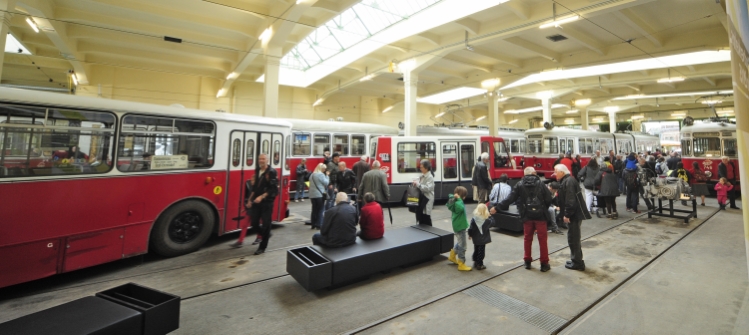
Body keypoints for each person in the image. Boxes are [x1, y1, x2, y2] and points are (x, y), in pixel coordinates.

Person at [496, 167, 553, 272]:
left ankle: (527, 262)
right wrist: (543, 208)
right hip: (540, 216)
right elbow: (549, 198)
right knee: (543, 240)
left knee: (527, 239)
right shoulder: (541, 184)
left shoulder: (520, 184)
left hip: (526, 215)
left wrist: (497, 207)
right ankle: (544, 264)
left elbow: (510, 198)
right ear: (533, 173)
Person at [231, 153, 277, 255]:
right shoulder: (257, 170)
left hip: (267, 203)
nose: (261, 160)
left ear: (267, 160)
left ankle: (262, 247)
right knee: (254, 223)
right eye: (260, 159)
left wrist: (262, 197)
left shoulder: (271, 172)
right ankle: (266, 234)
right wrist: (249, 200)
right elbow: (255, 187)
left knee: (266, 224)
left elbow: (273, 189)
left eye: (263, 159)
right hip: (256, 201)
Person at [554, 164, 585, 271]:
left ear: (562, 172)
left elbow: (571, 200)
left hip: (574, 215)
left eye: (556, 171)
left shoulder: (569, 181)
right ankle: (575, 259)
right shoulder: (567, 181)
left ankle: (578, 263)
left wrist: (567, 214)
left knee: (573, 238)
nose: (555, 174)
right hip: (574, 214)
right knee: (573, 237)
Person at [446, 186, 471, 271]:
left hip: (458, 225)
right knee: (463, 246)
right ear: (461, 196)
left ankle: (452, 256)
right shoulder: (458, 202)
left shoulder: (454, 201)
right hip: (460, 226)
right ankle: (461, 263)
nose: (464, 198)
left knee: (460, 242)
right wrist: (459, 199)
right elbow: (461, 208)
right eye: (464, 196)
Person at [468, 203, 495, 270]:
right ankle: (480, 264)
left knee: (476, 249)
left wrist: (470, 234)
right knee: (481, 252)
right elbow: (493, 223)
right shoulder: (487, 220)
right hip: (482, 239)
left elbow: (470, 228)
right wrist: (490, 216)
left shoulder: (474, 219)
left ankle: (475, 261)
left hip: (476, 238)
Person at [414, 159, 435, 226]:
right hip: (422, 199)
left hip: (427, 199)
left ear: (426, 168)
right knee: (421, 216)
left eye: (421, 167)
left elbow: (427, 188)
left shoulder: (430, 177)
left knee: (426, 218)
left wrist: (418, 184)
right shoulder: (422, 176)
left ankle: (430, 232)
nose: (420, 168)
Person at [308, 163, 329, 230]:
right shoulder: (321, 175)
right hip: (319, 195)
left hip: (312, 195)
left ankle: (313, 224)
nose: (324, 170)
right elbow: (326, 183)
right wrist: (327, 176)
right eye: (324, 169)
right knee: (320, 209)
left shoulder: (312, 175)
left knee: (314, 209)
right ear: (321, 168)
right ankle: (319, 224)